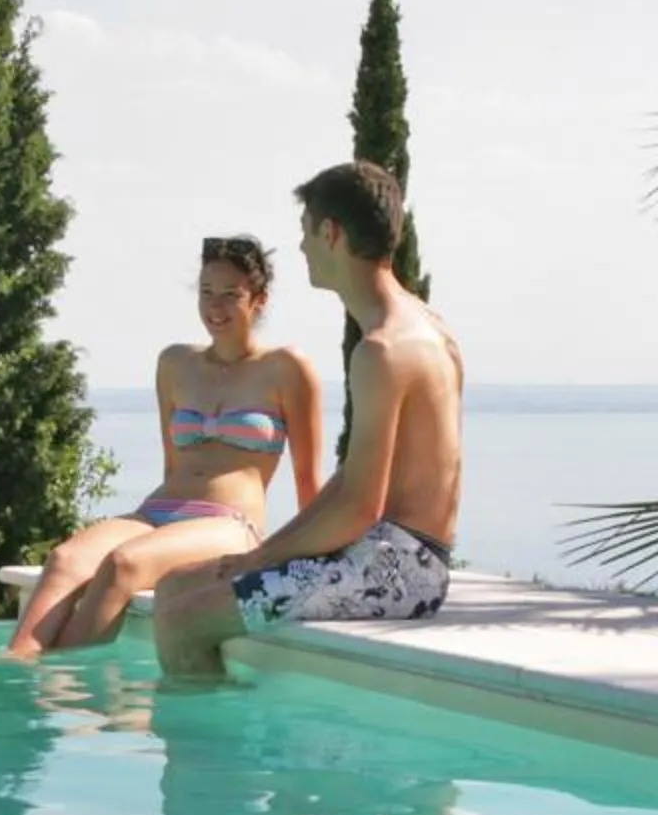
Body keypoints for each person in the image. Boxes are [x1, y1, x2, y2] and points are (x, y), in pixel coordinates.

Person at [153, 160, 462, 677]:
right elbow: (351, 486)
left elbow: (361, 507)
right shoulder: (428, 325)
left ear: (330, 233)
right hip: (398, 556)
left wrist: (260, 558)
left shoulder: (382, 351)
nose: (300, 249)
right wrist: (269, 552)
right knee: (173, 586)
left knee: (184, 622)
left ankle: (210, 758)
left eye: (305, 233)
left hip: (399, 570)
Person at [0, 236, 322, 658]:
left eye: (230, 294)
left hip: (230, 524)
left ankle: (61, 688)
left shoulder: (286, 368)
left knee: (123, 565)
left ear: (258, 299)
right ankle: (14, 672)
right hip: (158, 513)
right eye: (206, 292)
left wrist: (311, 562)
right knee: (63, 560)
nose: (215, 306)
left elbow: (308, 480)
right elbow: (173, 464)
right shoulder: (175, 363)